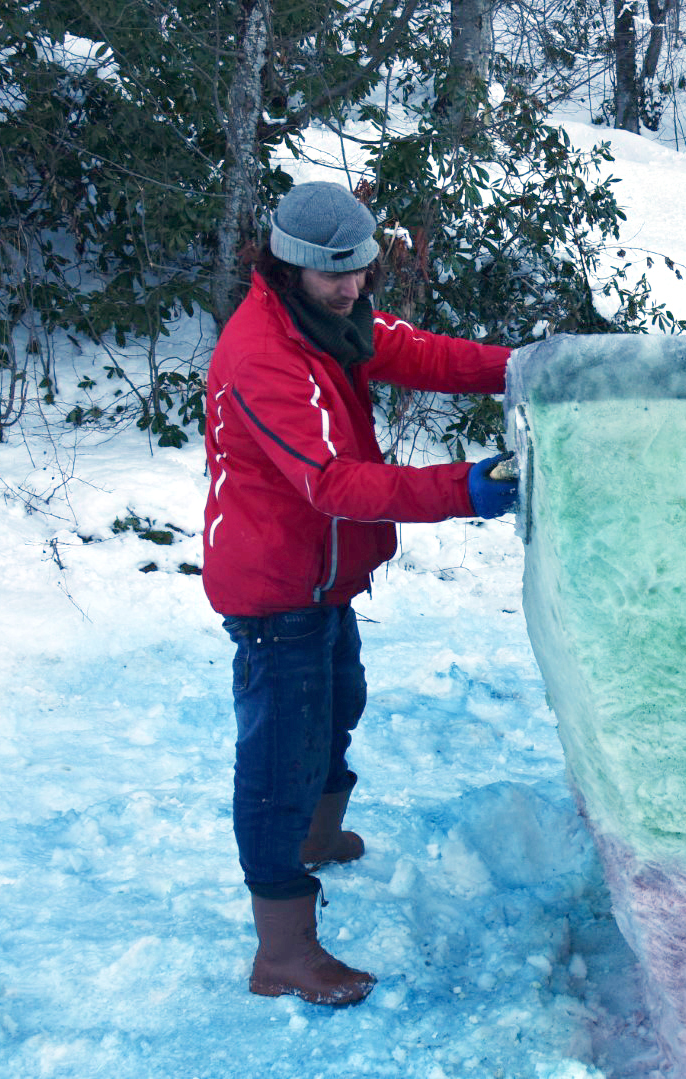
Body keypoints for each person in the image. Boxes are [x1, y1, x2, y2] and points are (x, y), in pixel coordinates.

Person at [201, 180, 518, 1006]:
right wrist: (464, 489)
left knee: (341, 701)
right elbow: (333, 482)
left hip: (323, 578)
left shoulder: (329, 318)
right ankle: (284, 951)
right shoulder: (263, 354)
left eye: (361, 271)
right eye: (335, 275)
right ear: (290, 266)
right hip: (275, 589)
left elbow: (415, 352)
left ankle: (319, 831)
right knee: (278, 758)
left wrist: (519, 370)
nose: (354, 288)